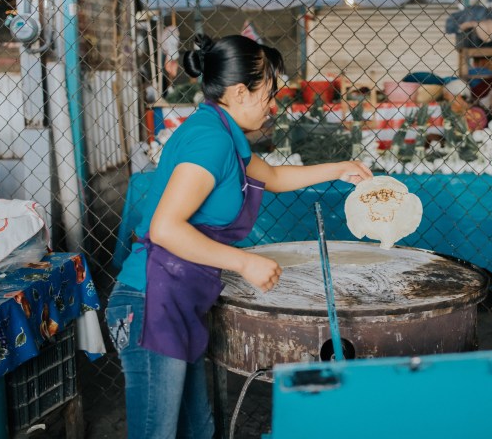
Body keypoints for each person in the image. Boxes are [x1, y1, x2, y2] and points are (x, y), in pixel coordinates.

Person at [106, 34, 372, 439]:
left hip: (179, 296)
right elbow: (165, 227)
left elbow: (277, 177)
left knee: (198, 428)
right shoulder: (211, 140)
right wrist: (243, 261)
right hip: (151, 301)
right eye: (269, 92)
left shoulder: (224, 133)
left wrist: (340, 168)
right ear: (238, 92)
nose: (273, 104)